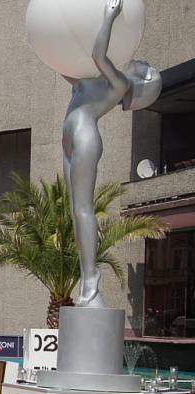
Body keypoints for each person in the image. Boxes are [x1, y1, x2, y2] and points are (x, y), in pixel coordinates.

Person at [61, 0, 161, 308]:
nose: (140, 60)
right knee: (75, 210)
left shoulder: (117, 83)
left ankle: (91, 282)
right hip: (70, 138)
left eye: (144, 66)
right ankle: (86, 277)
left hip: (85, 137)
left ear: (142, 81)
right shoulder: (98, 81)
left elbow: (97, 55)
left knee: (83, 209)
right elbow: (71, 69)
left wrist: (109, 16)